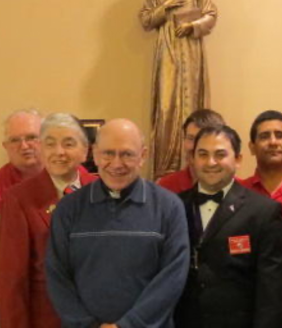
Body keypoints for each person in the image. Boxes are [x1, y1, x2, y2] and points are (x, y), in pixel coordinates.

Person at [46, 118, 190, 328]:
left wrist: (128, 325)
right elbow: (57, 276)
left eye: (127, 154)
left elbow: (172, 277)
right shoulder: (68, 208)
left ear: (143, 155)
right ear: (94, 154)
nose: (116, 164)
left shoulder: (169, 207)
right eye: (108, 153)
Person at [175, 125, 282, 328]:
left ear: (238, 160)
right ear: (192, 159)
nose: (211, 162)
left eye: (220, 154)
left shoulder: (264, 212)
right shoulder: (174, 207)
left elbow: (272, 292)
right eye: (203, 154)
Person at [0, 113, 99, 328]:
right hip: (47, 319)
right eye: (50, 144)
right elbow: (12, 280)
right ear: (42, 151)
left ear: (85, 151)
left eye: (68, 144)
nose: (58, 152)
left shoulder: (101, 191)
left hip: (98, 317)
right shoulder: (19, 198)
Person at [140, 0, 218, 179]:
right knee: (166, 108)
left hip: (191, 52)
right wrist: (166, 6)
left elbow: (211, 15)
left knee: (193, 104)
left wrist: (193, 26)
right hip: (168, 51)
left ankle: (197, 164)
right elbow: (145, 21)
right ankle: (166, 168)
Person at [0, 109, 44, 211]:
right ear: (6, 146)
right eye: (15, 140)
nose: (24, 146)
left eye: (31, 137)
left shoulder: (68, 173)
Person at [158, 109, 224, 194]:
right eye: (191, 138)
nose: (194, 147)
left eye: (202, 139)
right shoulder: (166, 186)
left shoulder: (236, 188)